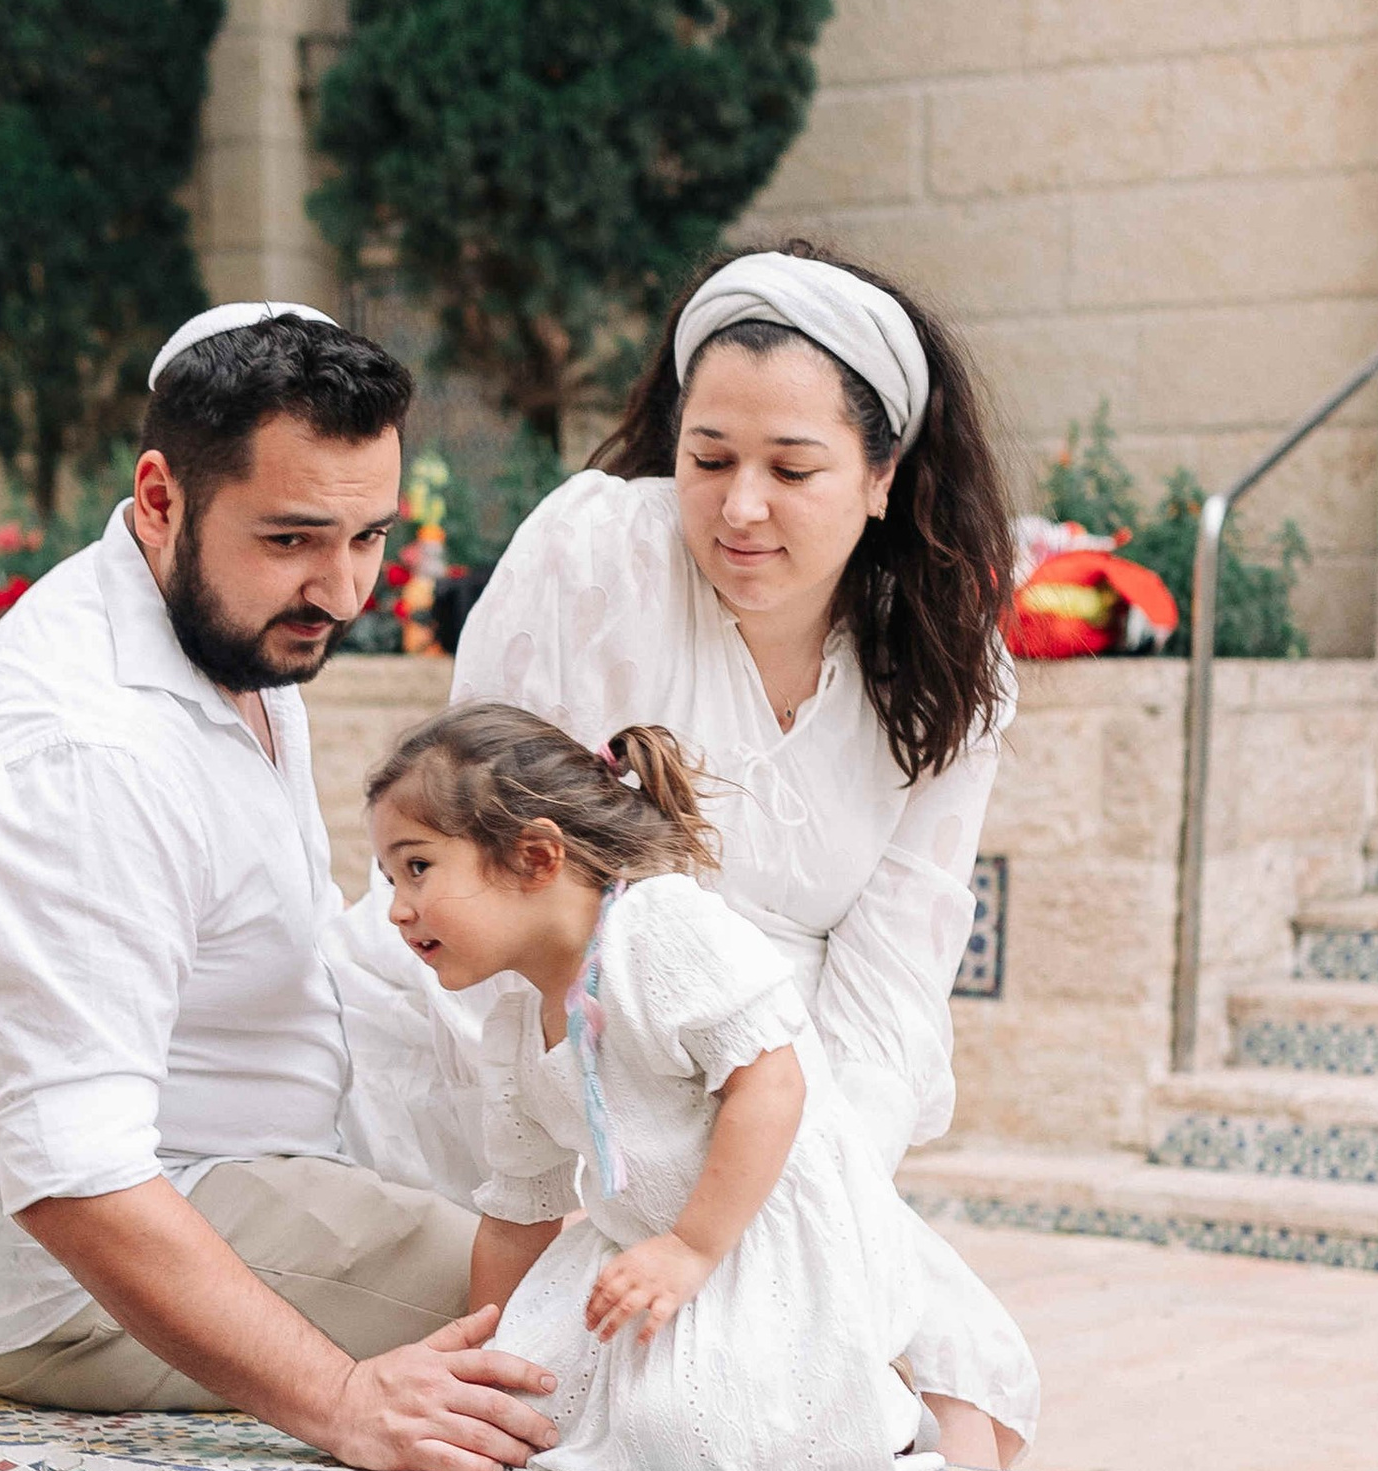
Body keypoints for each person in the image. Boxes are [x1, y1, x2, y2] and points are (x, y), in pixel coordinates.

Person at [0, 305, 558, 1471]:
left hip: (259, 1170)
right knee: (583, 1316)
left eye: (368, 538)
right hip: (85, 1281)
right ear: (159, 496)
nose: (342, 590)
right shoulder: (84, 755)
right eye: (294, 537)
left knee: (672, 1229)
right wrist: (346, 1402)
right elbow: (72, 1176)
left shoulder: (226, 629)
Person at [332, 240, 1016, 1204]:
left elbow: (893, 978)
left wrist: (807, 1202)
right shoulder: (595, 558)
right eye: (709, 458)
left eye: (792, 469)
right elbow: (478, 875)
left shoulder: (946, 663)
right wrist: (608, 1173)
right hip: (496, 1080)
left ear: (881, 476)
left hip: (762, 1110)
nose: (741, 507)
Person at [366, 703, 1037, 1471]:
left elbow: (771, 1079)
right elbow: (521, 1214)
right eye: (389, 877)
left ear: (536, 857)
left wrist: (691, 1248)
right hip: (648, 1245)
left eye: (417, 867)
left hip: (751, 1227)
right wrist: (484, 1361)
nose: (396, 907)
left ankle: (877, 1397)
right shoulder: (518, 1023)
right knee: (536, 1400)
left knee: (687, 1429)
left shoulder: (657, 930)